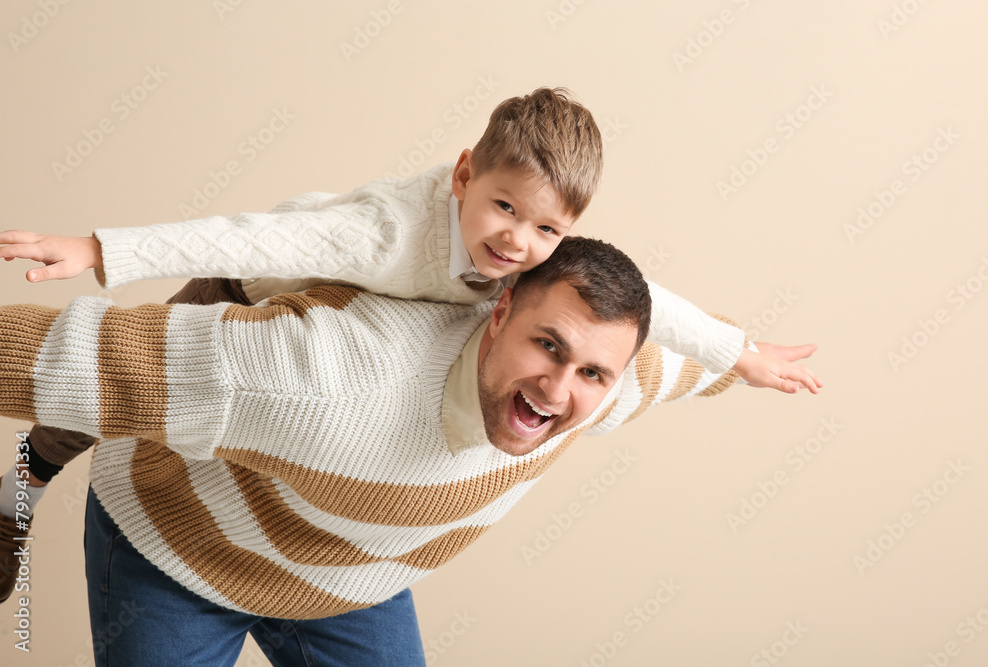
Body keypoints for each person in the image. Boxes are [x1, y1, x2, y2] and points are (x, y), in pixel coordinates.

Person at [0, 87, 792, 604]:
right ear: (463, 174)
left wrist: (741, 354)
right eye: (504, 208)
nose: (517, 242)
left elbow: (653, 307)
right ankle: (24, 483)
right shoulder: (385, 234)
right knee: (112, 390)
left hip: (325, 558)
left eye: (546, 227)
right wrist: (100, 250)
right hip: (252, 286)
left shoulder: (538, 263)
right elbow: (244, 237)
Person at [0, 236, 820, 665]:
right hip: (176, 546)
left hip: (347, 577)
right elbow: (72, 358)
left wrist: (742, 357)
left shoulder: (605, 383)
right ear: (499, 313)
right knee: (131, 385)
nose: (558, 387)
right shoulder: (328, 379)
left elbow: (684, 362)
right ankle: (22, 486)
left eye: (591, 372)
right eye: (547, 345)